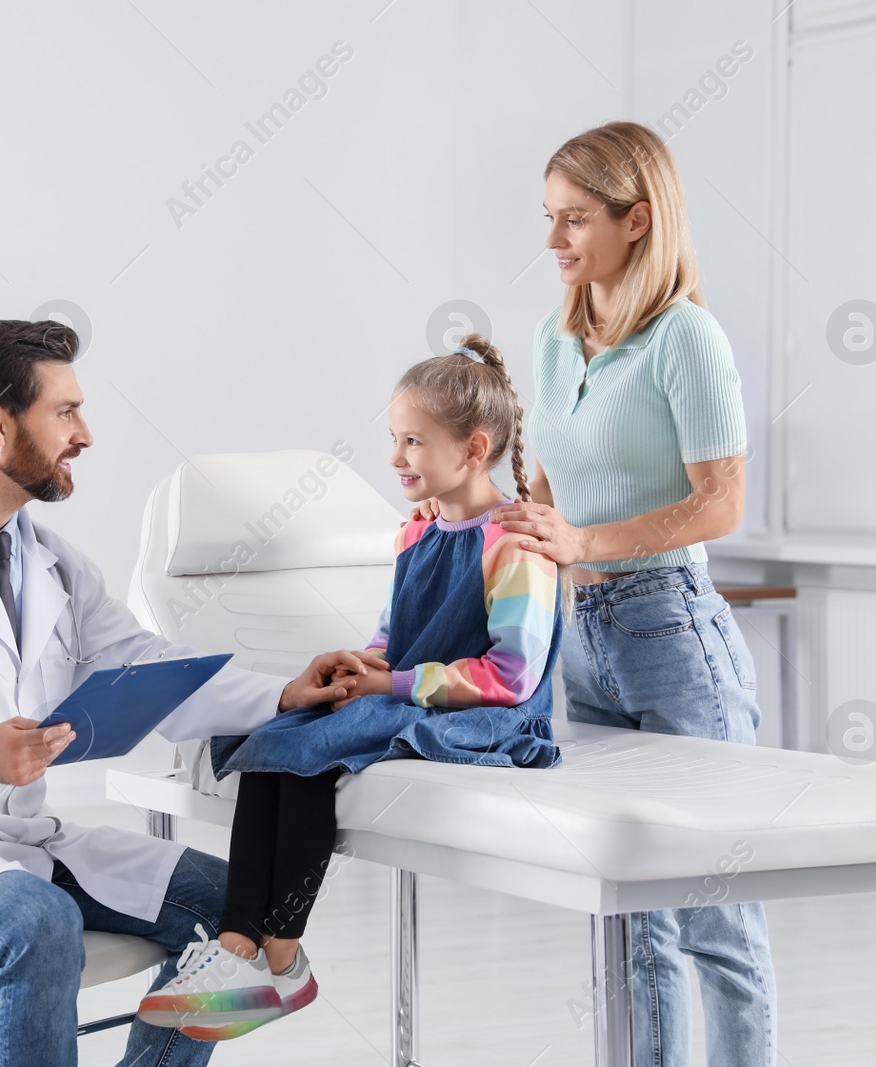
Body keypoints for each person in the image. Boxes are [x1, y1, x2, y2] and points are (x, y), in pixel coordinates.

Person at [0, 319, 374, 1067]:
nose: (85, 434)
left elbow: (146, 671)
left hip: (13, 841)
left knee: (233, 907)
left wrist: (281, 694)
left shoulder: (50, 563)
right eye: (64, 412)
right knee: (38, 924)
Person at [135, 333, 565, 1041]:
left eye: (413, 442)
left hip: (489, 715)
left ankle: (274, 950)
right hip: (410, 692)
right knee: (274, 735)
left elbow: (511, 677)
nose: (396, 458)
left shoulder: (513, 545)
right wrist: (360, 668)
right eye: (395, 439)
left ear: (474, 449)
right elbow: (392, 638)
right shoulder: (414, 536)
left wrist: (387, 681)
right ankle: (249, 945)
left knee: (315, 749)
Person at [497, 121, 777, 1064]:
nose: (555, 240)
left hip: (671, 629)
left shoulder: (686, 338)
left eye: (575, 218)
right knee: (630, 914)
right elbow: (552, 488)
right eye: (549, 217)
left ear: (639, 219)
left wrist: (585, 541)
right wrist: (520, 535)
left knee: (712, 912)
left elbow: (721, 501)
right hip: (586, 633)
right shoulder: (553, 336)